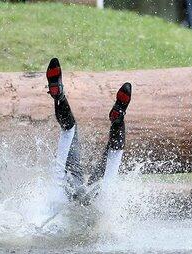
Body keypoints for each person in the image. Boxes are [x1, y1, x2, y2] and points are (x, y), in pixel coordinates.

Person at [46, 58, 132, 205]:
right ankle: (118, 116)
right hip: (95, 208)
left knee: (71, 133)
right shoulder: (103, 218)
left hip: (66, 200)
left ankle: (59, 95)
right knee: (110, 156)